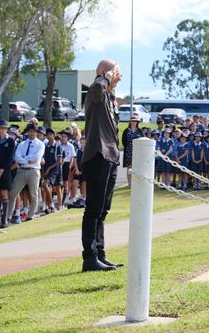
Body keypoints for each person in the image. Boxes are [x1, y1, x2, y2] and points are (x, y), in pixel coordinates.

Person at [81, 59, 123, 272]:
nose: (119, 76)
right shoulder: (96, 91)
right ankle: (89, 258)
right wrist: (106, 76)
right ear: (104, 72)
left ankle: (100, 254)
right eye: (117, 72)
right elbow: (97, 86)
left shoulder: (108, 96)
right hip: (97, 155)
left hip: (110, 157)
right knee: (93, 209)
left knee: (103, 210)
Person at [6, 123, 44, 222]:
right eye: (30, 131)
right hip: (22, 170)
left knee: (33, 194)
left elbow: (37, 158)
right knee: (13, 193)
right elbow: (17, 157)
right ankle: (8, 216)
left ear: (36, 133)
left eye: (33, 131)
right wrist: (27, 160)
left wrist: (26, 159)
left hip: (34, 171)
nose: (31, 133)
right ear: (28, 132)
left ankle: (31, 215)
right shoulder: (22, 144)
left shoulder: (40, 144)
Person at [121, 113, 144, 188]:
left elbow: (142, 140)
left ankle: (135, 182)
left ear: (137, 122)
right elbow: (123, 141)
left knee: (136, 167)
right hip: (128, 152)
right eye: (132, 121)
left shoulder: (140, 131)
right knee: (129, 168)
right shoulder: (126, 131)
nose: (133, 122)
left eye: (135, 121)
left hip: (137, 152)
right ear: (130, 122)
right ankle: (129, 183)